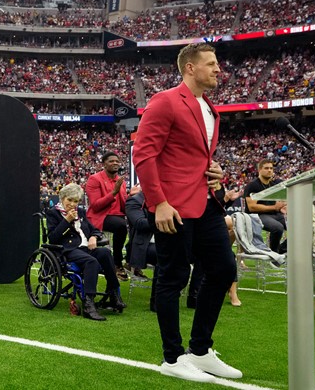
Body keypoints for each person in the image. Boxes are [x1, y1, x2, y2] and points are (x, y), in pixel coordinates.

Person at [132, 43, 241, 382]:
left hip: (205, 201)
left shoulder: (210, 109)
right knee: (173, 277)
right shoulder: (165, 101)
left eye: (217, 63)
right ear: (190, 68)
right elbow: (144, 154)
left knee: (224, 270)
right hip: (172, 206)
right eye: (211, 63)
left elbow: (191, 155)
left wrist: (215, 169)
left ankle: (200, 350)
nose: (218, 69)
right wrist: (158, 202)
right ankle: (172, 357)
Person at [46, 183, 126, 321]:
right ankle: (89, 304)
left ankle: (113, 294)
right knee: (91, 261)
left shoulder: (81, 212)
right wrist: (67, 220)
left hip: (86, 248)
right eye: (69, 200)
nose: (72, 204)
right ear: (62, 198)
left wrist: (94, 237)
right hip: (68, 250)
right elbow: (52, 238)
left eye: (75, 201)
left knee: (106, 253)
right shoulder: (54, 213)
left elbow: (93, 228)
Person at [85, 151, 142, 281]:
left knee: (139, 222)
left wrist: (131, 195)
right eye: (111, 161)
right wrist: (114, 192)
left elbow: (123, 203)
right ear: (104, 164)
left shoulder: (119, 180)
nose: (115, 163)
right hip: (100, 217)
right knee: (121, 226)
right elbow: (95, 206)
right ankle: (117, 263)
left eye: (117, 161)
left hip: (119, 215)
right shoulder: (94, 179)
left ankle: (131, 261)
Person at [244, 159, 287, 253]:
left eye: (271, 168)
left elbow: (279, 202)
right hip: (257, 215)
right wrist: (274, 207)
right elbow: (252, 207)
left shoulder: (274, 185)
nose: (269, 170)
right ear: (259, 170)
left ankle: (280, 250)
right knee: (278, 228)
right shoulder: (252, 185)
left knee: (297, 226)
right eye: (266, 168)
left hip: (275, 214)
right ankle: (274, 254)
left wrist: (282, 207)